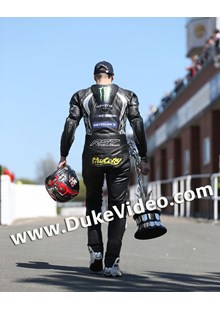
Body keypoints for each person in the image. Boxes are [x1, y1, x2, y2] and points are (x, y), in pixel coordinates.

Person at [58, 61, 150, 277]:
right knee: (119, 207)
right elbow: (137, 125)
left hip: (92, 153)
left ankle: (95, 251)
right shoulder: (128, 95)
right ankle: (112, 263)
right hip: (119, 154)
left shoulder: (80, 96)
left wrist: (63, 155)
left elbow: (71, 125)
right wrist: (144, 157)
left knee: (93, 202)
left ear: (94, 77)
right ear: (113, 77)